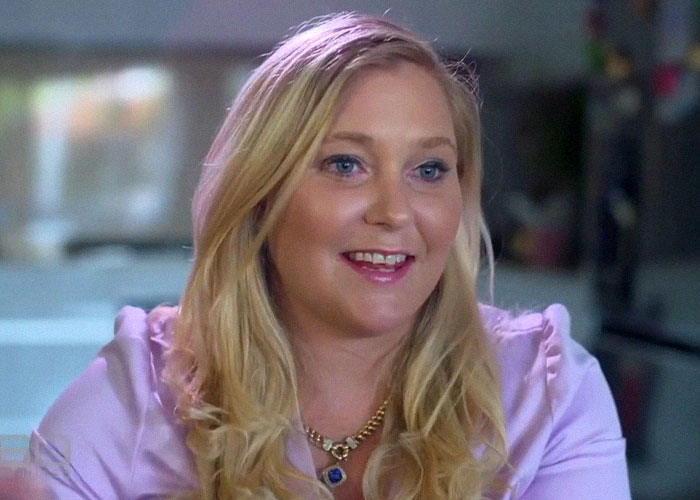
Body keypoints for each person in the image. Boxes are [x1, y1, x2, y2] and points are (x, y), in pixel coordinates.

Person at [26, 13, 630, 500]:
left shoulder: (544, 396)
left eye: (428, 169)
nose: (395, 212)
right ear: (262, 193)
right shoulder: (139, 392)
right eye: (346, 164)